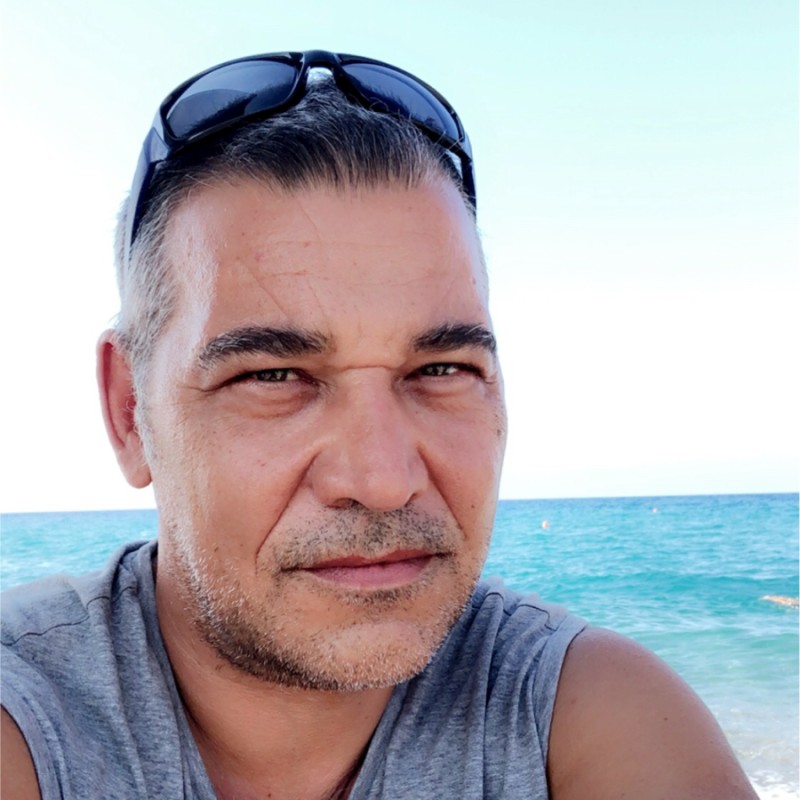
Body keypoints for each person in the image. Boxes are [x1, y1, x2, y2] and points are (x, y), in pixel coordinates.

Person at [1, 50, 756, 799]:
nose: (384, 481)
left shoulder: (588, 714)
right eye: (273, 376)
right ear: (130, 413)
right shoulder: (28, 716)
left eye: (441, 368)